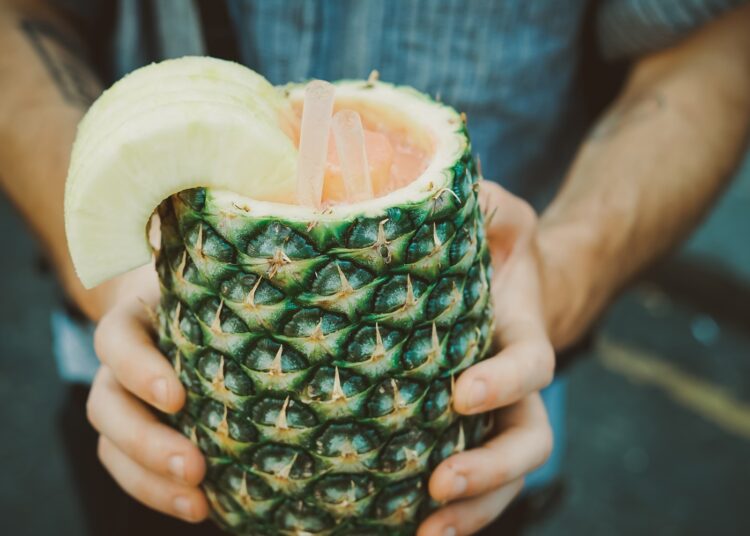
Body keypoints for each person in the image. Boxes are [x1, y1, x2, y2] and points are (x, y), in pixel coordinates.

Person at [2, 1, 750, 535]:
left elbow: (714, 39)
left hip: (480, 385)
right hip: (154, 398)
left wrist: (558, 274)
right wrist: (115, 276)